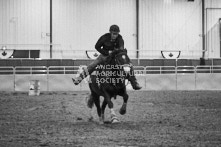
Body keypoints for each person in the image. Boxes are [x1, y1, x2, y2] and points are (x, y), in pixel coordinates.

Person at [72, 25, 142, 90]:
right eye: (114, 33)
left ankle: (134, 83)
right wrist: (106, 52)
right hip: (104, 56)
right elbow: (97, 46)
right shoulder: (104, 37)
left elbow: (121, 48)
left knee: (129, 65)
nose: (115, 35)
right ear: (110, 32)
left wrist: (115, 52)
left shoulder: (120, 38)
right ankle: (78, 79)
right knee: (92, 65)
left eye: (116, 34)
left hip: (116, 56)